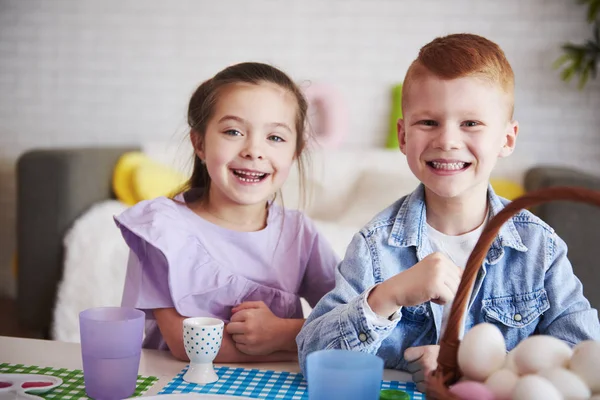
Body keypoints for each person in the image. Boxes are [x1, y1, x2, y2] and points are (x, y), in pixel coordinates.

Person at [296, 34, 600, 391]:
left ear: (507, 139)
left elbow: (583, 353)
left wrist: (482, 366)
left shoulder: (539, 247)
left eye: (470, 123)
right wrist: (387, 296)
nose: (447, 141)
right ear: (404, 136)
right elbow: (313, 355)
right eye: (428, 122)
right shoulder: (375, 246)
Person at [115, 62, 339, 363]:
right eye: (233, 131)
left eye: (275, 138)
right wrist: (297, 342)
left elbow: (348, 321)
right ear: (200, 144)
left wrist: (283, 333)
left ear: (294, 152)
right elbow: (186, 344)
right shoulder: (162, 229)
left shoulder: (300, 234)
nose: (254, 150)